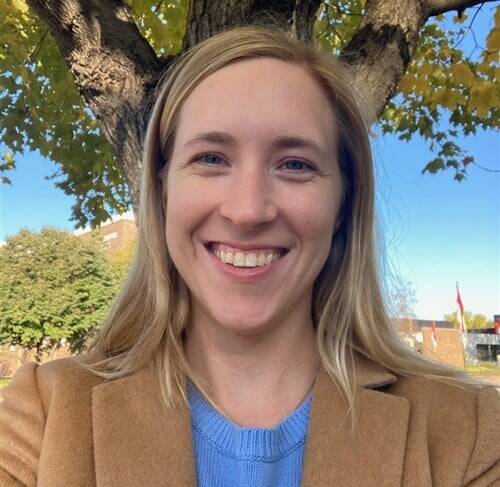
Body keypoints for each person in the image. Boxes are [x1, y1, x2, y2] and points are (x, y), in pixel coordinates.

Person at [1, 24, 498, 487]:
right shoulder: (42, 416)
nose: (247, 211)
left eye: (296, 164)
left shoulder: (469, 431)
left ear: (344, 203)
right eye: (211, 158)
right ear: (162, 190)